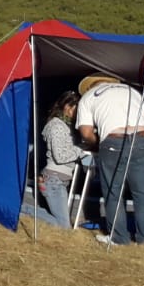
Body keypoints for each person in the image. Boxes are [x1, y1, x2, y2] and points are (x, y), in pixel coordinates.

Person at [76, 75, 144, 246]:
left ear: (90, 87)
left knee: (114, 192)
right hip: (142, 138)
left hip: (114, 140)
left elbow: (86, 133)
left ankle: (119, 238)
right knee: (142, 193)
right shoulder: (131, 91)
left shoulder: (88, 98)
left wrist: (98, 143)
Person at [35, 90, 88, 229]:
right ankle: (24, 211)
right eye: (77, 110)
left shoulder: (66, 126)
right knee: (64, 226)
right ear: (67, 107)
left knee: (62, 221)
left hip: (59, 180)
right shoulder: (56, 126)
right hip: (54, 179)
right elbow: (60, 156)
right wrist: (80, 149)